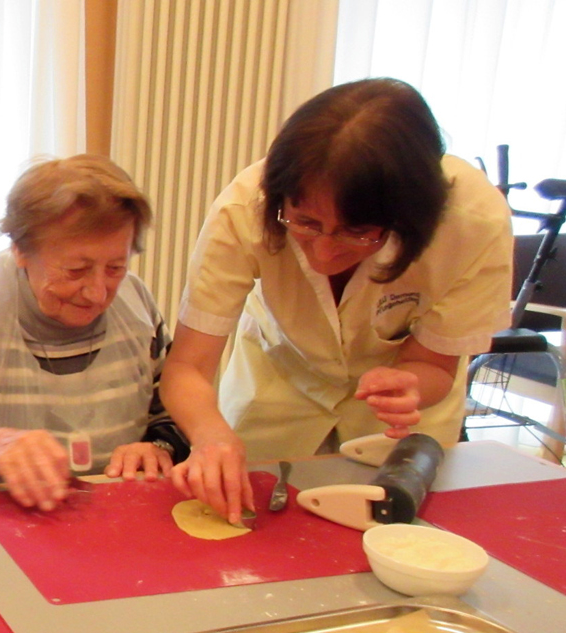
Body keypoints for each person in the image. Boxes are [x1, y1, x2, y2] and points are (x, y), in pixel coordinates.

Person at [161, 78, 512, 524]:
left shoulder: (472, 223)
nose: (324, 253)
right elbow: (188, 366)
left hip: (397, 427)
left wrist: (411, 384)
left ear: (409, 217)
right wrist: (211, 435)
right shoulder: (245, 206)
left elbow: (436, 367)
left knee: (390, 541)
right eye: (305, 222)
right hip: (279, 388)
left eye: (357, 231)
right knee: (259, 539)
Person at [0, 154, 188, 510]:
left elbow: (176, 414)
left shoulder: (136, 304)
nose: (97, 292)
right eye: (76, 270)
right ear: (20, 250)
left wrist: (159, 447)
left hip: (117, 517)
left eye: (115, 267)